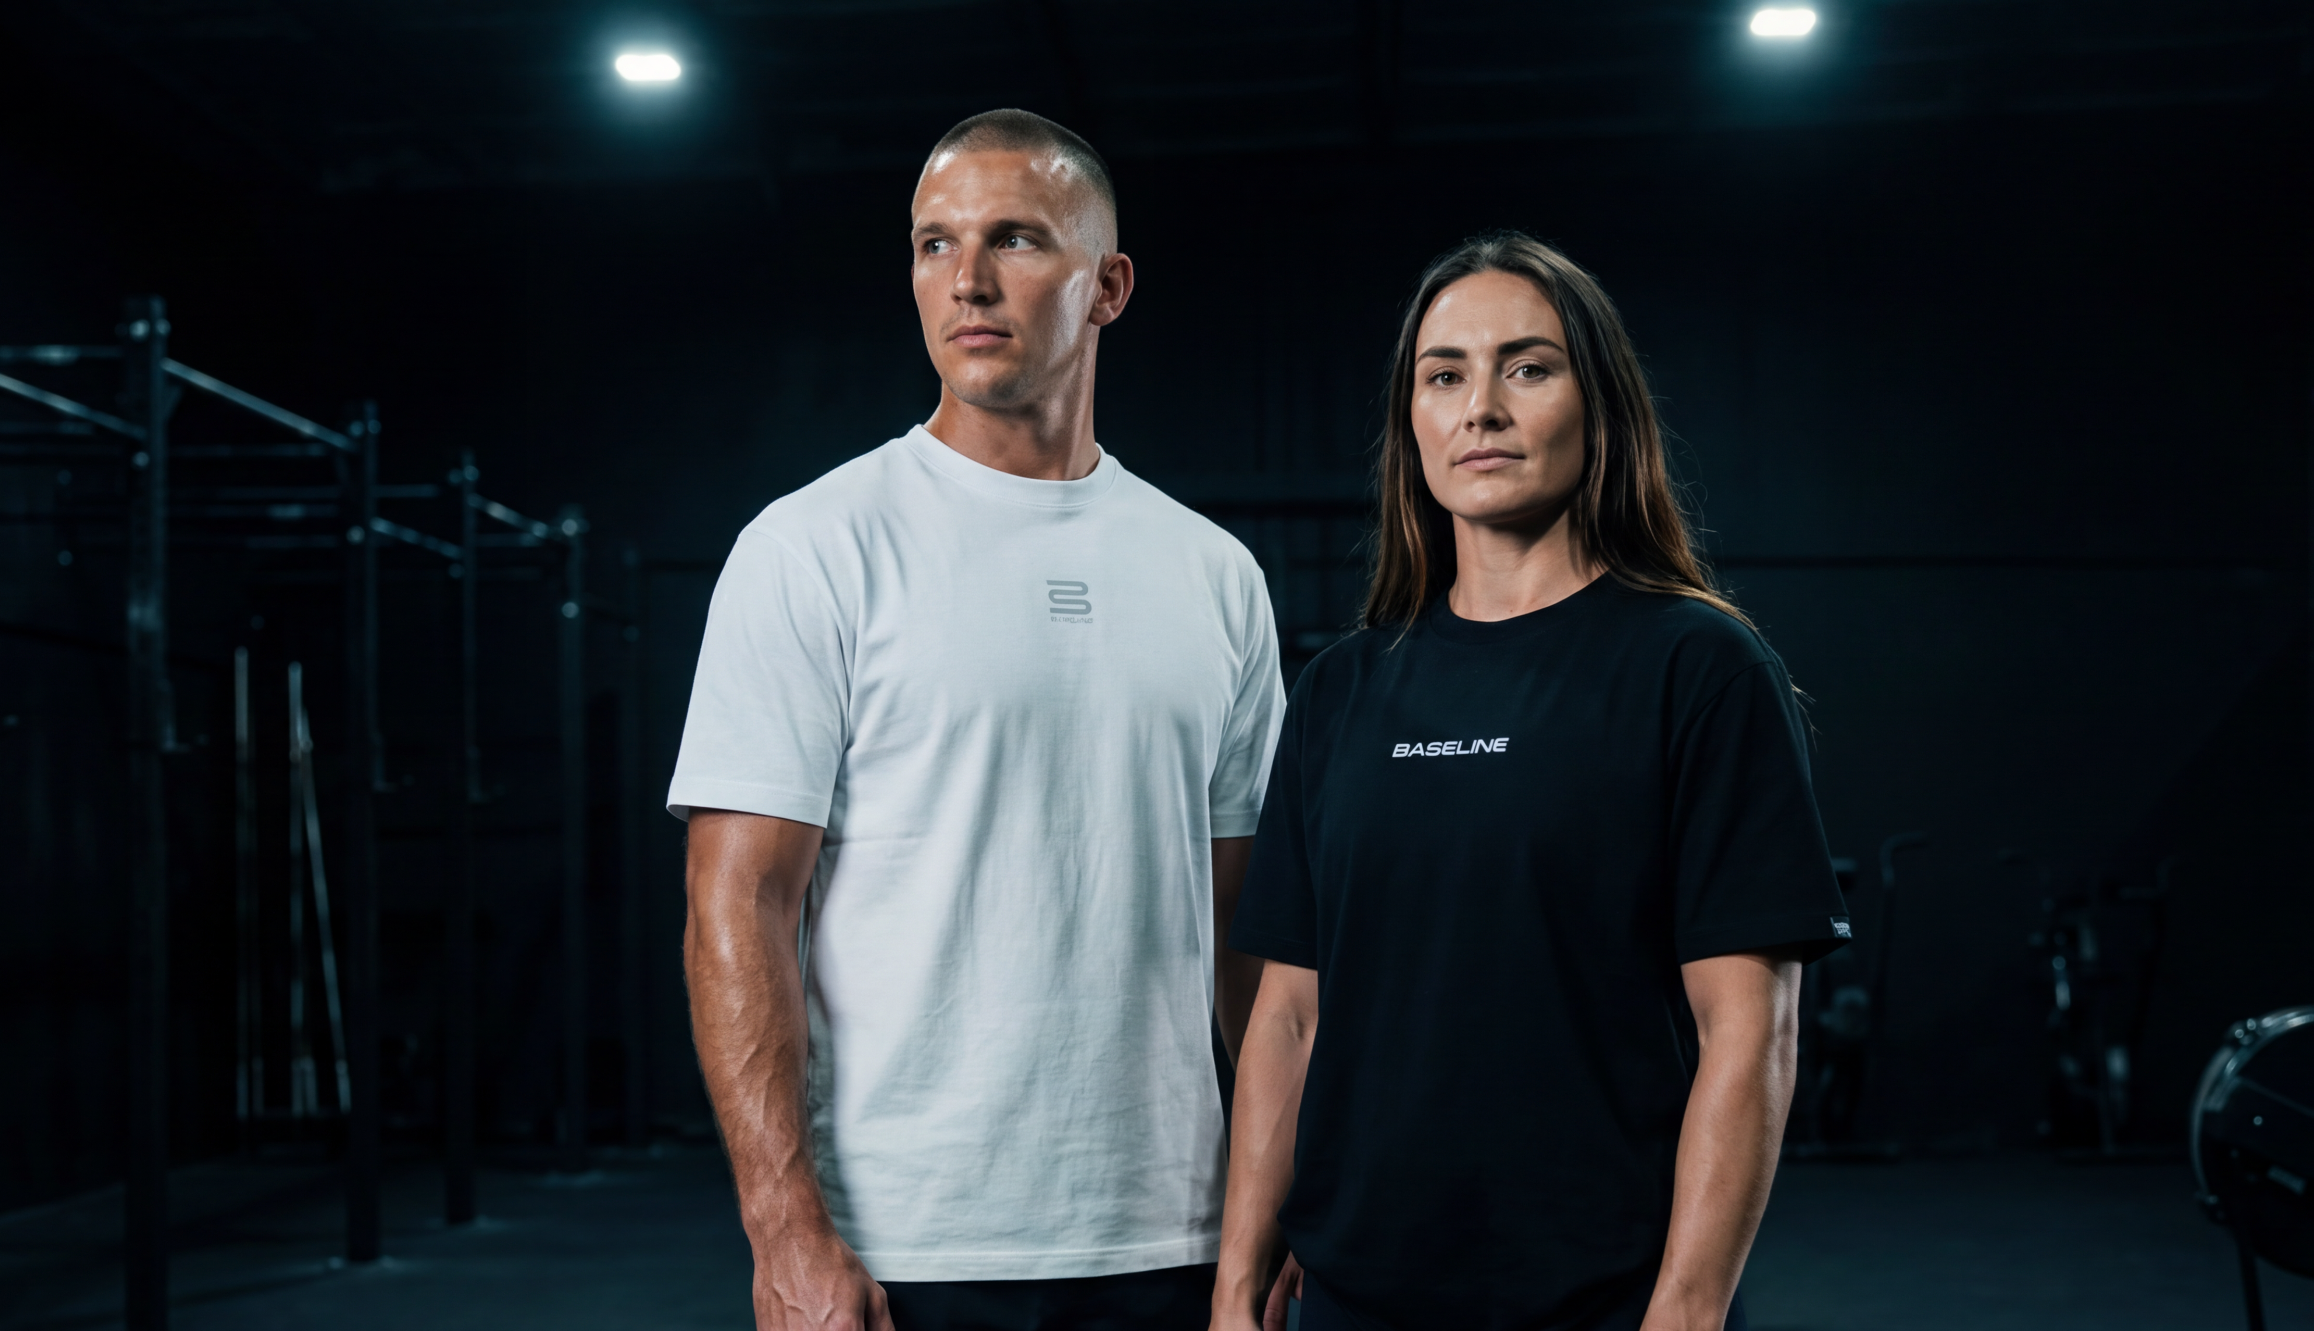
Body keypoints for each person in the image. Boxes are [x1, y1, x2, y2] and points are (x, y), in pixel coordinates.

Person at [670, 109, 1284, 1331]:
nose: (967, 280)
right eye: (933, 243)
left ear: (1106, 286)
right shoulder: (811, 548)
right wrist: (785, 1225)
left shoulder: (1214, 574)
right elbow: (735, 902)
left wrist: (1275, 1215)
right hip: (905, 1247)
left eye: (1014, 239)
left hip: (1170, 1233)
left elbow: (1253, 938)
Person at [1211, 233, 1851, 1331]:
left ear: (1595, 404)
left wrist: (1686, 1308)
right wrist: (1233, 1287)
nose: (1480, 408)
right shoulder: (1340, 690)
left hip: (1603, 1297)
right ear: (1411, 421)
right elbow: (1287, 1017)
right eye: (1443, 373)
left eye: (1527, 365)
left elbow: (1748, 1028)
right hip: (1358, 1295)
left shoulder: (1695, 665)